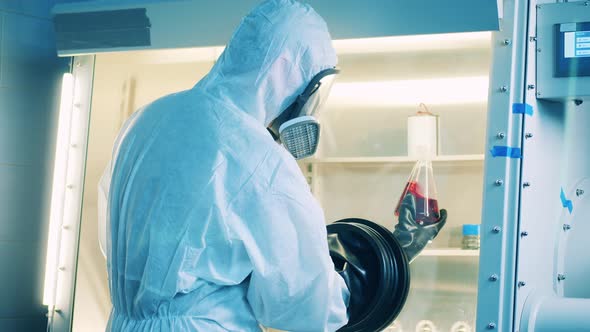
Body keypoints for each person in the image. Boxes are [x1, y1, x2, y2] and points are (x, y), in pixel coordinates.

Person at [98, 0, 350, 331]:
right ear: (284, 68)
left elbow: (118, 241)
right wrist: (373, 270)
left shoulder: (145, 120)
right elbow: (304, 307)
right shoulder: (259, 158)